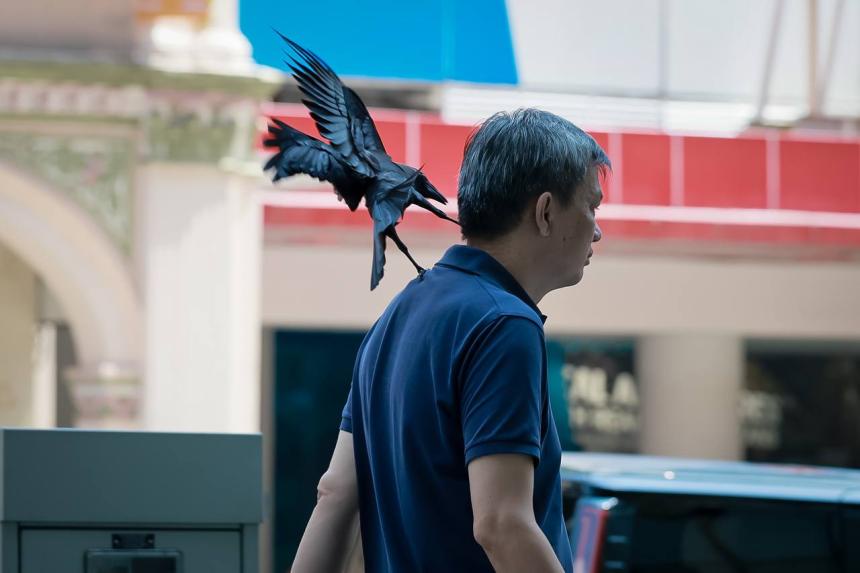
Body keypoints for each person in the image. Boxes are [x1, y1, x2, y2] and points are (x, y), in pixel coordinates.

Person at [291, 108, 609, 573]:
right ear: (544, 212)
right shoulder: (505, 325)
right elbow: (502, 523)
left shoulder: (400, 312)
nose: (597, 229)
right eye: (591, 205)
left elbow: (335, 494)